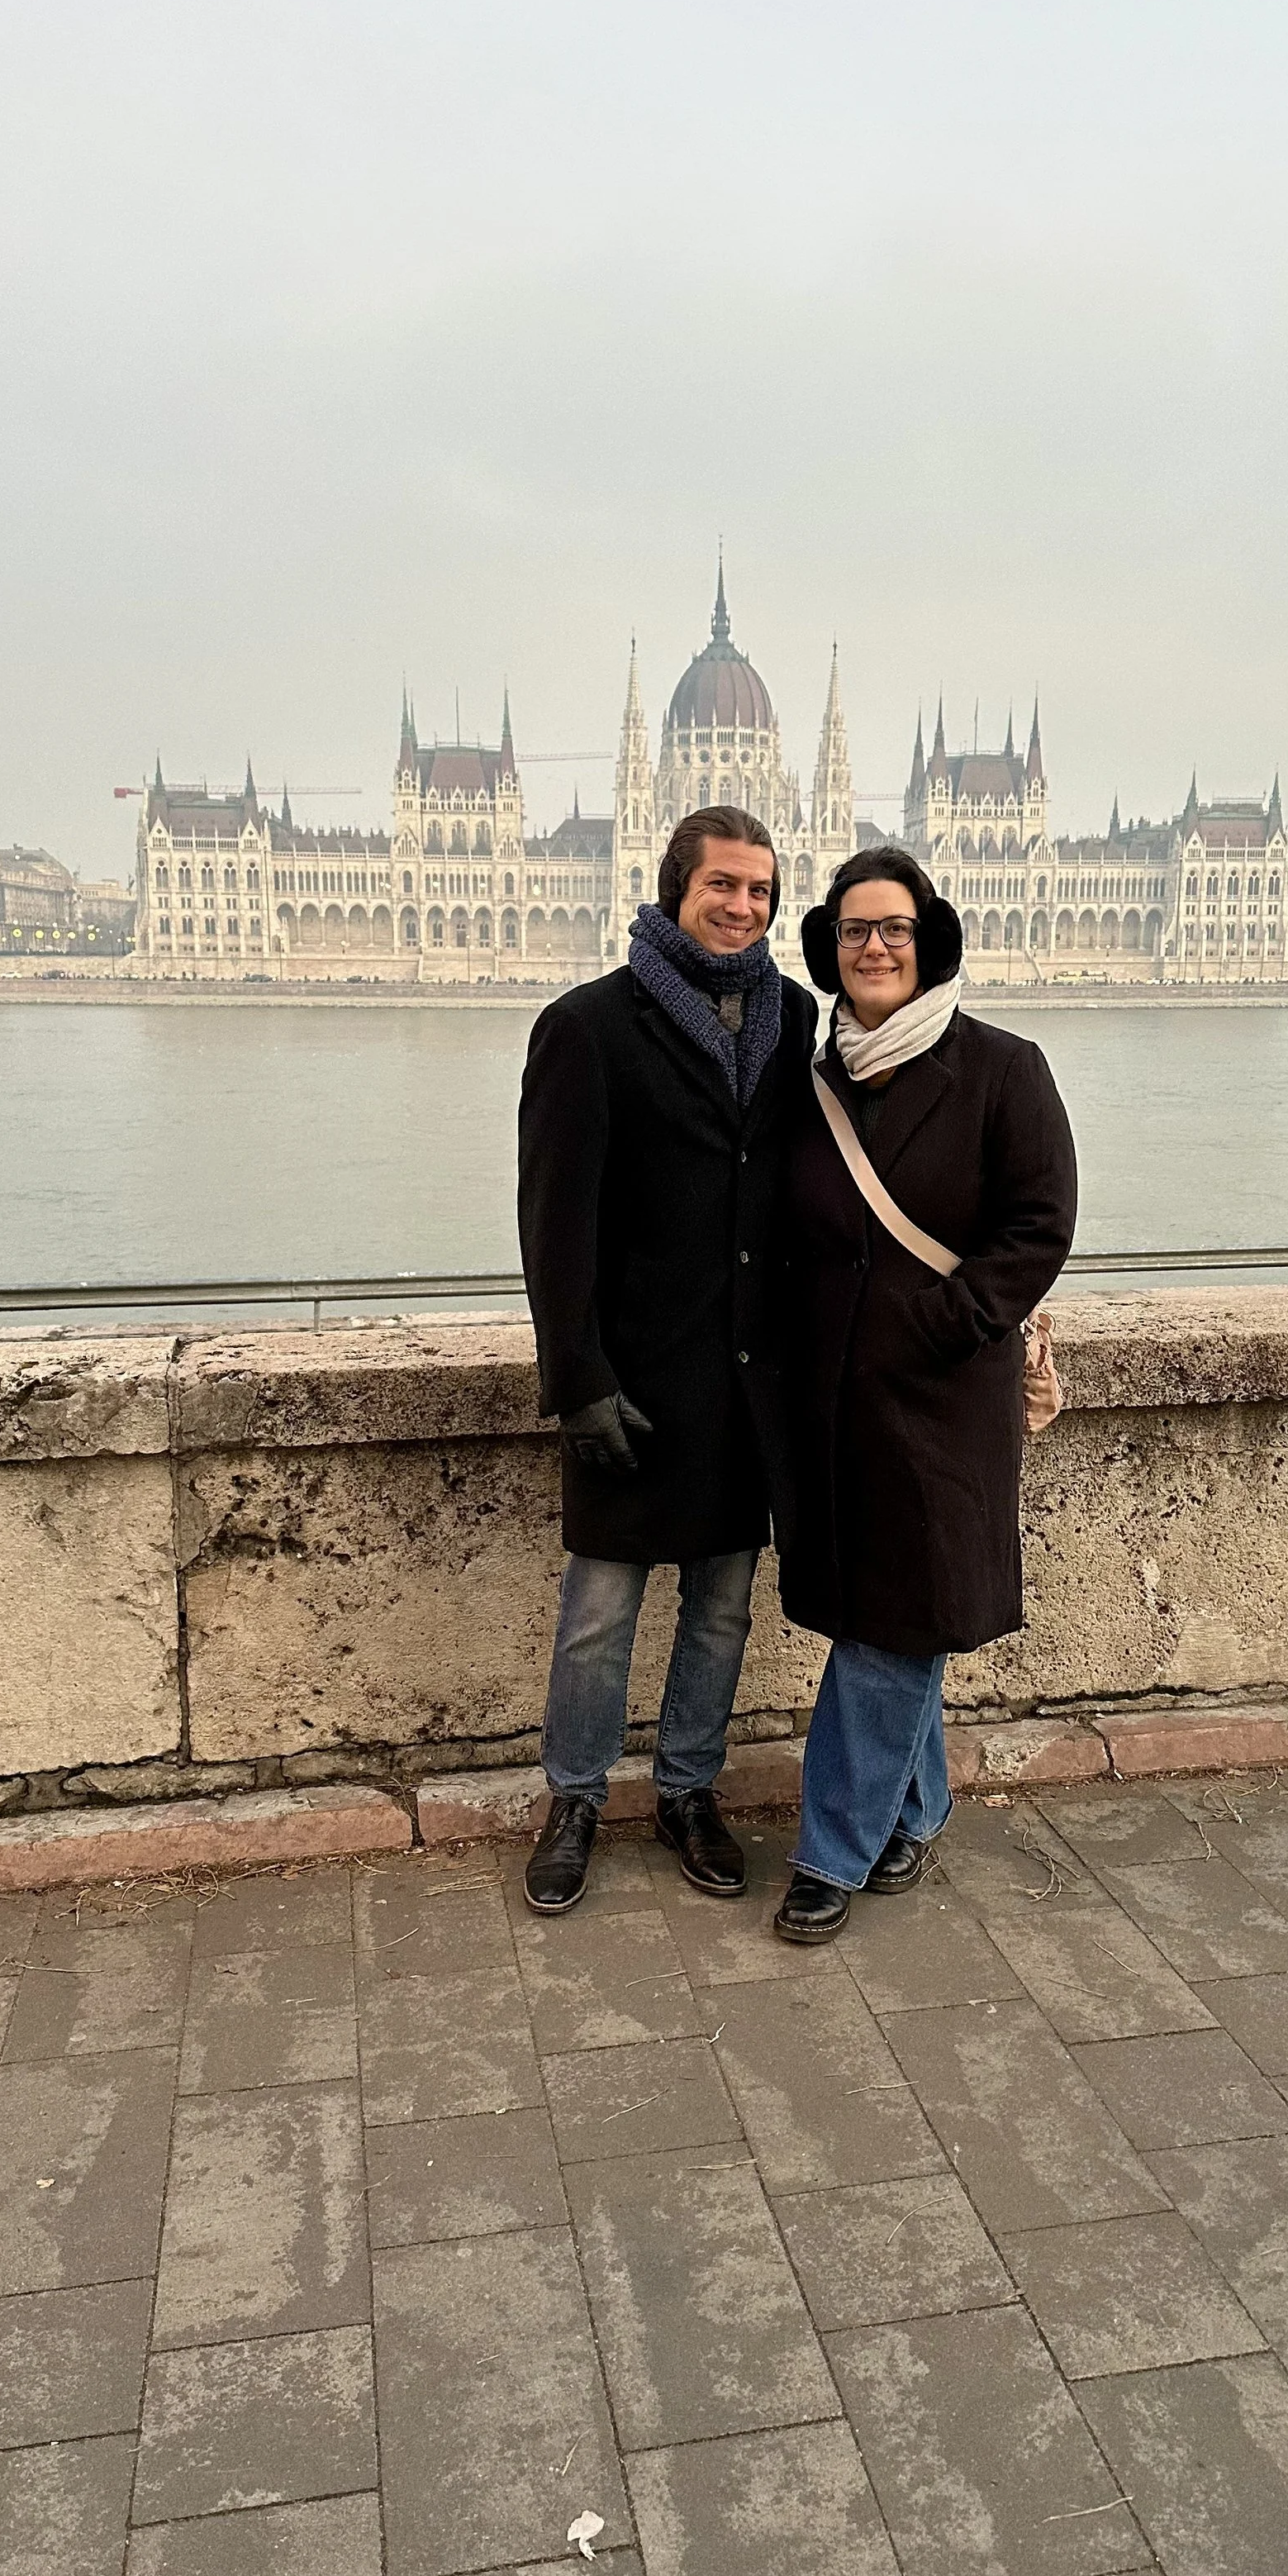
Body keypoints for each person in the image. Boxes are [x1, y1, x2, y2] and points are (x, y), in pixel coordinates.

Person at [516, 804, 817, 1914]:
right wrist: (579, 1379)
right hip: (632, 1385)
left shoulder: (794, 1026)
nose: (742, 907)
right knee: (600, 1613)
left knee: (724, 1608)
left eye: (761, 892)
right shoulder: (589, 1026)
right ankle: (577, 1800)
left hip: (746, 1385)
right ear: (673, 887)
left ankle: (690, 1790)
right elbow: (554, 1225)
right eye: (723, 886)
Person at [774, 845, 1077, 1941]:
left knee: (892, 1628)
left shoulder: (1004, 1069)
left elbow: (1038, 1227)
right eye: (855, 930)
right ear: (830, 948)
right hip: (835, 1406)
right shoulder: (808, 1086)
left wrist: (939, 1327)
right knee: (893, 1614)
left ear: (929, 939)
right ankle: (917, 1805)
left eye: (894, 928)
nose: (875, 947)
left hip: (946, 1403)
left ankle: (831, 1848)